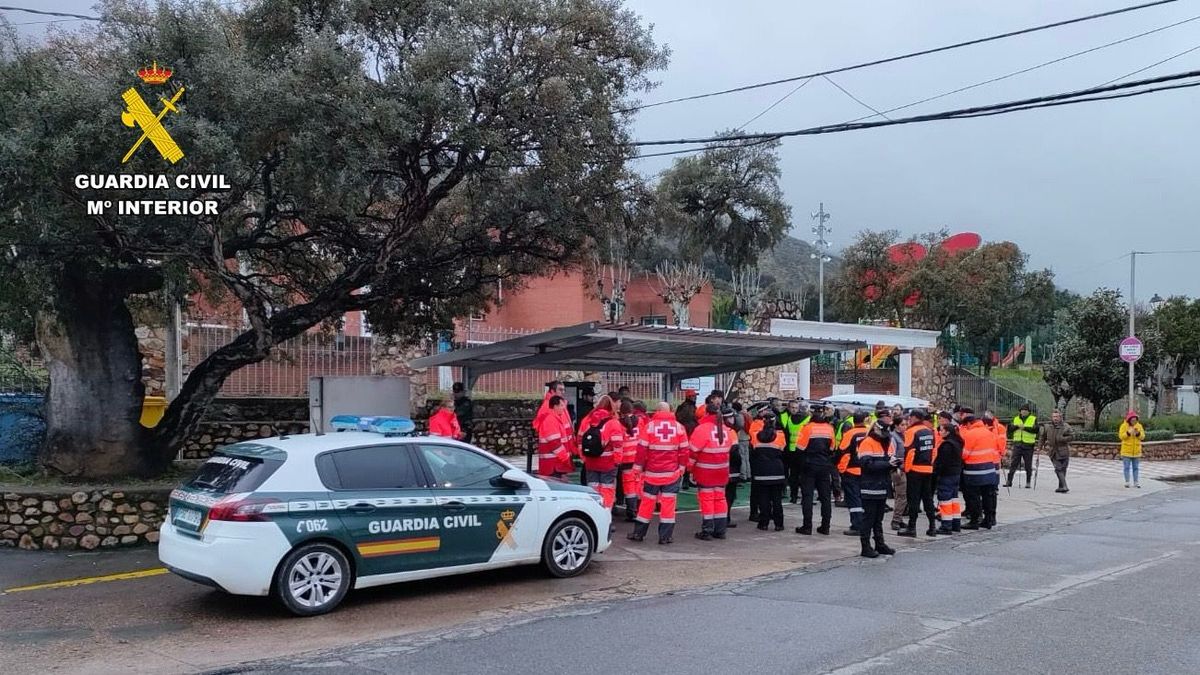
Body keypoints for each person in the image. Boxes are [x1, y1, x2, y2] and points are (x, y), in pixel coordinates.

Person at [629, 402, 691, 545]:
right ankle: (665, 536)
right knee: (668, 505)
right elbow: (684, 451)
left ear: (657, 410)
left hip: (652, 474)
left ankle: (638, 533)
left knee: (646, 503)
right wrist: (682, 467)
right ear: (670, 411)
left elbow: (641, 450)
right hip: (671, 474)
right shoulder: (679, 428)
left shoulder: (649, 426)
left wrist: (637, 468)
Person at [690, 403, 736, 540]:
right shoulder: (726, 430)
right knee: (720, 499)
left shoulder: (702, 429)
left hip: (705, 471)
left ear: (706, 414)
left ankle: (707, 530)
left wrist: (689, 469)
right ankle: (720, 530)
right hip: (722, 470)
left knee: (707, 500)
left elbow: (693, 452)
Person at [856, 420, 899, 558]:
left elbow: (887, 459)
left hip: (882, 485)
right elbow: (867, 465)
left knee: (878, 519)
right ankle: (865, 546)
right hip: (869, 486)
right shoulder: (867, 442)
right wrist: (887, 464)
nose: (885, 435)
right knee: (868, 518)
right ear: (876, 429)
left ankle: (880, 544)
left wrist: (894, 464)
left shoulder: (886, 441)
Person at [796, 402, 835, 536]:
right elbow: (832, 448)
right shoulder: (829, 428)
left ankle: (807, 527)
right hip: (824, 465)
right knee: (825, 497)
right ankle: (826, 527)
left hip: (809, 465)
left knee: (807, 496)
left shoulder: (807, 428)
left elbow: (800, 448)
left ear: (812, 414)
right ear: (823, 413)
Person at [898, 409, 938, 538]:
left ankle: (911, 527)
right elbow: (933, 451)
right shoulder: (929, 431)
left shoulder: (911, 432)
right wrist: (929, 464)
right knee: (928, 499)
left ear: (915, 418)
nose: (909, 420)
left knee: (913, 499)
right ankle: (932, 527)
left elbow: (910, 452)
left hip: (915, 470)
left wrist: (907, 469)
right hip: (927, 469)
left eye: (910, 417)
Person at [580, 395, 625, 509]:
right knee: (607, 489)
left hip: (590, 461)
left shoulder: (588, 420)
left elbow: (580, 439)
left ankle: (593, 512)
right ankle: (605, 515)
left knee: (592, 488)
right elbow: (618, 444)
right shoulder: (613, 422)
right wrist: (617, 461)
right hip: (608, 462)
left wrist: (584, 457)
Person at [959, 407, 1000, 529]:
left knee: (974, 496)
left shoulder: (970, 434)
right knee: (988, 495)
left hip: (974, 470)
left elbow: (964, 453)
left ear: (969, 423)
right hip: (989, 468)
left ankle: (974, 520)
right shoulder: (988, 432)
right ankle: (988, 520)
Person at [750, 412, 787, 531]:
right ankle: (779, 524)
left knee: (763, 499)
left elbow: (754, 450)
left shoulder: (756, 436)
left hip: (761, 472)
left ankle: (763, 523)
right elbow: (782, 450)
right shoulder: (780, 435)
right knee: (777, 499)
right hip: (777, 471)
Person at [835, 411, 870, 536]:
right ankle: (866, 524)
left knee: (854, 499)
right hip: (867, 470)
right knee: (864, 498)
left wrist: (841, 470)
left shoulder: (850, 434)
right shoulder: (869, 432)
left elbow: (844, 453)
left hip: (852, 470)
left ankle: (857, 525)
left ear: (853, 421)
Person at [933, 411, 964, 534]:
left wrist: (936, 472)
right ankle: (956, 523)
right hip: (955, 474)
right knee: (954, 500)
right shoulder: (957, 443)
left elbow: (942, 463)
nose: (940, 432)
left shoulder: (946, 445)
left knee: (945, 500)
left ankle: (946, 526)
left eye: (941, 430)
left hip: (946, 475)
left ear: (947, 432)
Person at [725, 402, 753, 528]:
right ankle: (724, 519)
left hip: (724, 469)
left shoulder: (728, 431)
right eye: (729, 418)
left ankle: (723, 519)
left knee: (726, 496)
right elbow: (735, 454)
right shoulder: (730, 432)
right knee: (728, 495)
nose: (731, 420)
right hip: (728, 469)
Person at [535, 396, 574, 480]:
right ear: (555, 406)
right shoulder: (550, 420)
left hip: (555, 464)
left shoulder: (554, 419)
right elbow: (555, 443)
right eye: (562, 405)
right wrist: (566, 458)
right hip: (553, 465)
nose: (564, 408)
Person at [617, 400, 643, 521]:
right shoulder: (640, 421)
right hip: (638, 459)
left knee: (629, 488)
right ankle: (639, 510)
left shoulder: (619, 424)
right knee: (638, 485)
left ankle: (631, 512)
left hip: (625, 460)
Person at [780, 400, 810, 504]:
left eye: (796, 408)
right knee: (803, 476)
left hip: (791, 450)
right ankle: (804, 497)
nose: (794, 409)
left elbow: (786, 434)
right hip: (802, 451)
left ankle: (793, 496)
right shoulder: (807, 420)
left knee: (794, 475)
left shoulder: (789, 419)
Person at [883, 409, 908, 531]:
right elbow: (891, 454)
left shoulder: (904, 436)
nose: (905, 426)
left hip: (904, 468)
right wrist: (897, 466)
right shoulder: (893, 437)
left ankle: (899, 518)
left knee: (902, 496)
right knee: (901, 496)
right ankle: (896, 520)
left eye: (906, 424)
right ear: (897, 425)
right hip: (898, 469)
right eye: (903, 424)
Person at [1039, 408, 1074, 493]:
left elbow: (1072, 436)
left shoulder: (1066, 426)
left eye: (1057, 416)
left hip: (1063, 450)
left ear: (1060, 417)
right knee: (1058, 468)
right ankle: (1065, 486)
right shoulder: (1047, 427)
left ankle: (1061, 487)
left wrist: (1062, 439)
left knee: (1063, 469)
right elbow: (1042, 437)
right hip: (1053, 451)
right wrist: (1040, 446)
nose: (1055, 418)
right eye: (1054, 416)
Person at [1006, 403, 1038, 488]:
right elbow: (1009, 429)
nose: (1023, 412)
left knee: (1028, 464)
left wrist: (1025, 428)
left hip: (1028, 445)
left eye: (1025, 410)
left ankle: (1028, 482)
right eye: (1022, 410)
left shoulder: (1033, 419)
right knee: (1013, 463)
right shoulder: (1016, 419)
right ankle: (1009, 481)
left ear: (1028, 411)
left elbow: (1036, 430)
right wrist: (1017, 426)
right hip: (1017, 444)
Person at [1119, 411, 1146, 488]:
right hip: (1126, 451)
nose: (1134, 421)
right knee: (1126, 467)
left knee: (1136, 467)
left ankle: (1136, 482)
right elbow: (1121, 436)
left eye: (1135, 420)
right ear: (1129, 420)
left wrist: (1138, 433)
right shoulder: (1123, 426)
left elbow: (1143, 437)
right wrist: (1128, 433)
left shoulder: (1139, 426)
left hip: (1136, 451)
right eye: (1132, 420)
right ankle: (1127, 482)